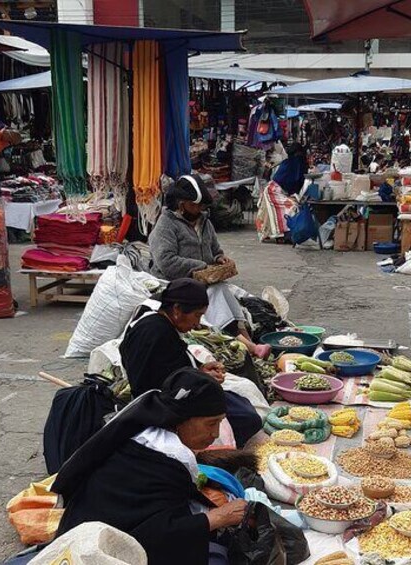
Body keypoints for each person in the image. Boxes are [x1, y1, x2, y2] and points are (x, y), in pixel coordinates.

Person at [52, 368, 248, 565]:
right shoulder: (163, 459)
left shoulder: (141, 433)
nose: (215, 434)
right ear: (180, 418)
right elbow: (148, 536)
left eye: (219, 423)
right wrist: (216, 518)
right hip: (94, 553)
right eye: (211, 424)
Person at [120, 278, 263, 447]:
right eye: (197, 315)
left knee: (243, 402)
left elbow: (172, 362)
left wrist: (200, 369)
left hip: (178, 392)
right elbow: (150, 385)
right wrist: (200, 378)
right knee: (246, 418)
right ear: (177, 310)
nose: (197, 324)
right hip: (163, 405)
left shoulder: (162, 323)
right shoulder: (155, 333)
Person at [149, 175, 269, 358]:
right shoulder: (165, 225)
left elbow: (215, 249)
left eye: (200, 206)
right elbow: (166, 261)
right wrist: (201, 266)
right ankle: (249, 345)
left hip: (205, 280)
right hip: (174, 282)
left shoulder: (204, 222)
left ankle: (247, 341)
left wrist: (220, 258)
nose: (198, 209)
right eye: (194, 205)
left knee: (220, 289)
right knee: (213, 293)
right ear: (181, 204)